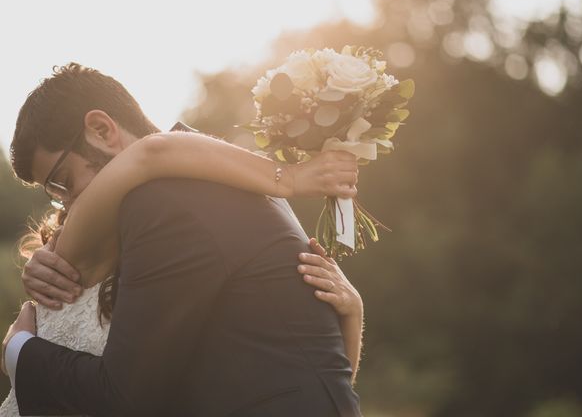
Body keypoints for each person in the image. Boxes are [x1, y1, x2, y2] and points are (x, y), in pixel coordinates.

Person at [1, 63, 363, 416]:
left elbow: (124, 399)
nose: (69, 204)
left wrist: (18, 349)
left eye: (62, 182)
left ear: (102, 130)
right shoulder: (225, 181)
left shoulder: (167, 202)